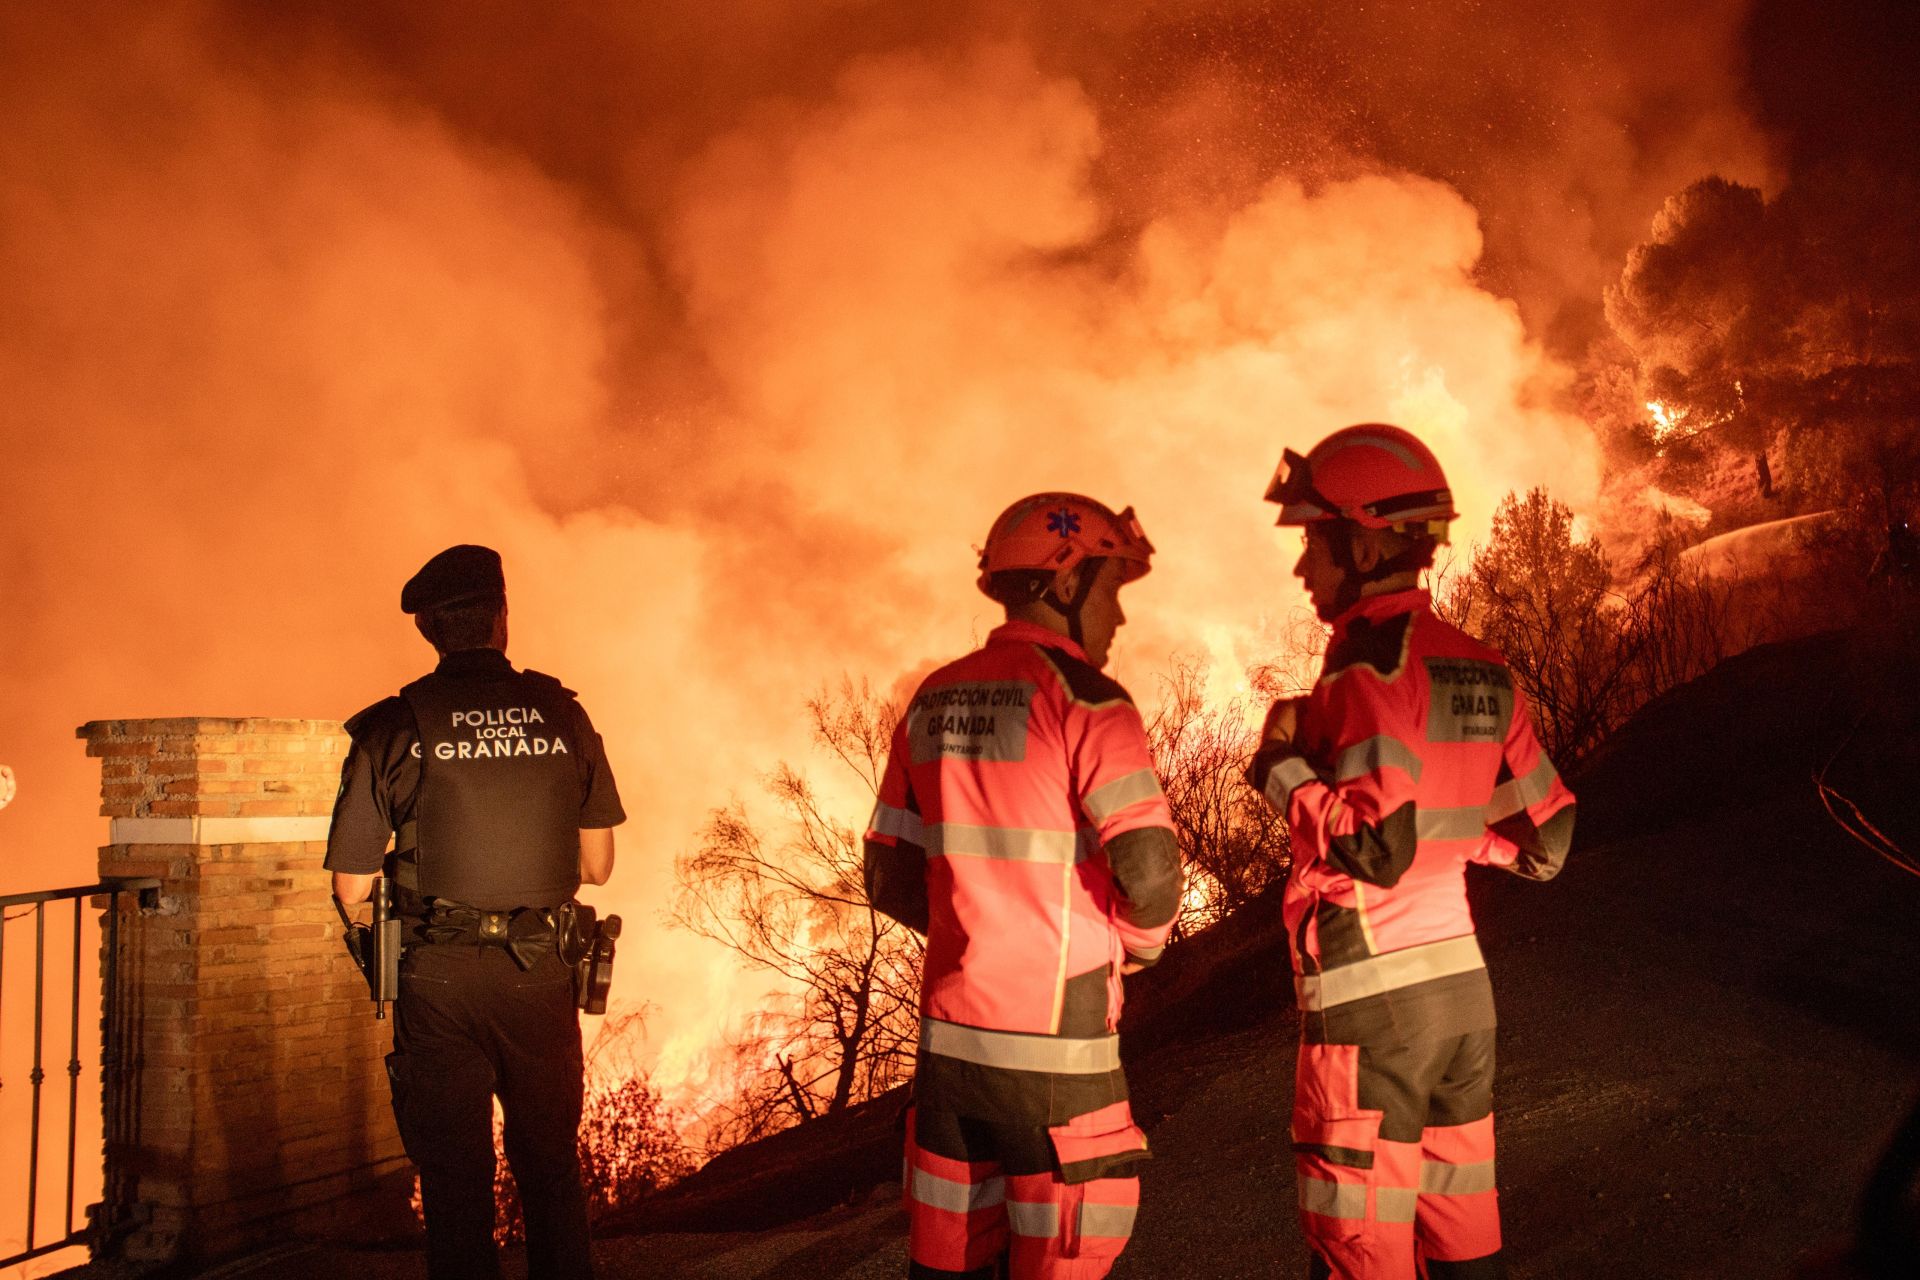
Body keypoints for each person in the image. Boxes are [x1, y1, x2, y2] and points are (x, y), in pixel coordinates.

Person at [1245, 426, 1576, 1280]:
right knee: (1465, 1247)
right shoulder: (1482, 667)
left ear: (1364, 539)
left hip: (1371, 1016)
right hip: (1461, 1000)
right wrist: (1470, 840)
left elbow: (1375, 849)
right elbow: (1548, 844)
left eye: (1314, 541)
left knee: (1359, 1254)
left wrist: (1279, 768)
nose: (1302, 567)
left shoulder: (1361, 669)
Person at [864, 493, 1184, 1280]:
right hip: (1060, 1063)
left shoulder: (932, 701)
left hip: (950, 1064)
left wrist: (976, 924)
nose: (1120, 618)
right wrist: (1130, 950)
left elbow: (886, 875)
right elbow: (1150, 874)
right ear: (1066, 585)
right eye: (1112, 591)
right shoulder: (1090, 703)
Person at [326, 544, 624, 1280]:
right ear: (502, 620)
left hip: (439, 982)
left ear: (428, 628)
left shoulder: (393, 726)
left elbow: (350, 890)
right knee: (551, 1168)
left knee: (457, 1181)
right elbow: (598, 867)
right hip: (541, 975)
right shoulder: (563, 713)